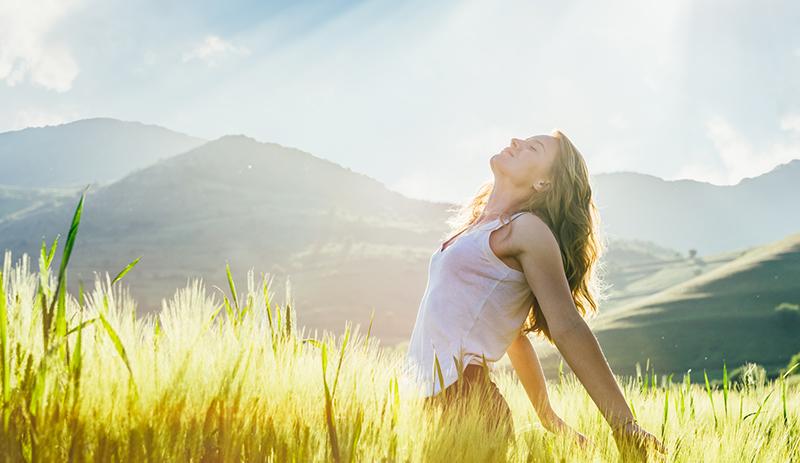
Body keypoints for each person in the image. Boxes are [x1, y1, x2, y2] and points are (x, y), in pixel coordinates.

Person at [405, 130, 666, 460]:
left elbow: (568, 326)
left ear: (544, 183)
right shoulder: (477, 227)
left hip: (465, 404)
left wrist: (624, 424)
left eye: (533, 148)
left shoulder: (527, 230)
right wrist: (546, 414)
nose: (516, 142)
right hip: (429, 402)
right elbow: (512, 335)